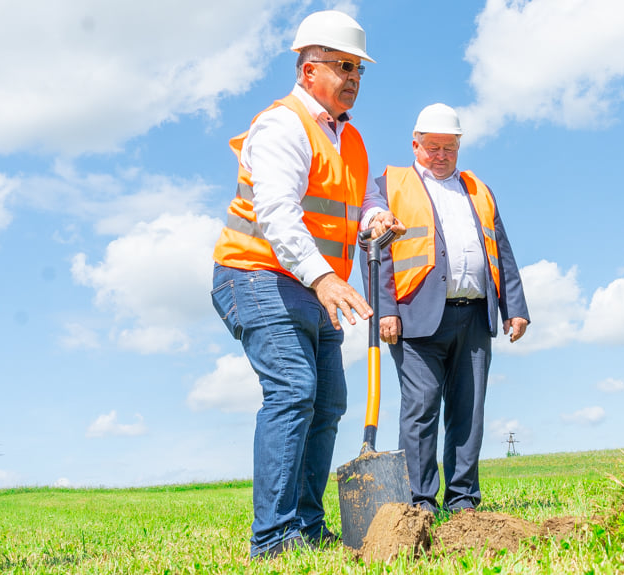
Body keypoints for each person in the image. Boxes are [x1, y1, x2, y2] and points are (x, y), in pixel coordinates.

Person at [210, 10, 403, 560]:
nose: (352, 78)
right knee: (294, 390)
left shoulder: (352, 139)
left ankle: (308, 527)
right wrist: (323, 277)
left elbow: (357, 203)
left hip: (312, 283)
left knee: (329, 402)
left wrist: (374, 220)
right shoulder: (283, 125)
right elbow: (275, 212)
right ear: (306, 68)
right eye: (342, 66)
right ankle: (272, 539)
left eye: (359, 70)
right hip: (255, 273)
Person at [362, 103, 530, 513]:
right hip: (416, 316)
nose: (440, 155)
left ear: (459, 146)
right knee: (420, 409)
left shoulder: (478, 189)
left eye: (449, 148)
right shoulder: (389, 185)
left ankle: (463, 501)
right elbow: (372, 249)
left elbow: (501, 250)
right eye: (432, 147)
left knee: (468, 411)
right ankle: (420, 502)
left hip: (473, 314)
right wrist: (386, 309)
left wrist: (515, 306)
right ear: (415, 144)